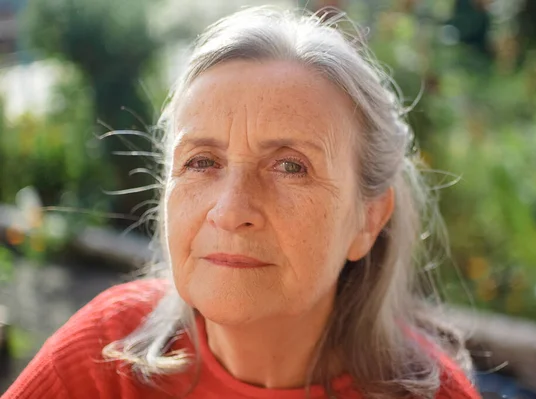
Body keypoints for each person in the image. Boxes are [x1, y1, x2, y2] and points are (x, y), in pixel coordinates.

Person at [3, 7, 480, 399]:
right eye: (201, 162)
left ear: (368, 218)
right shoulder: (104, 357)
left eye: (291, 167)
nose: (231, 211)